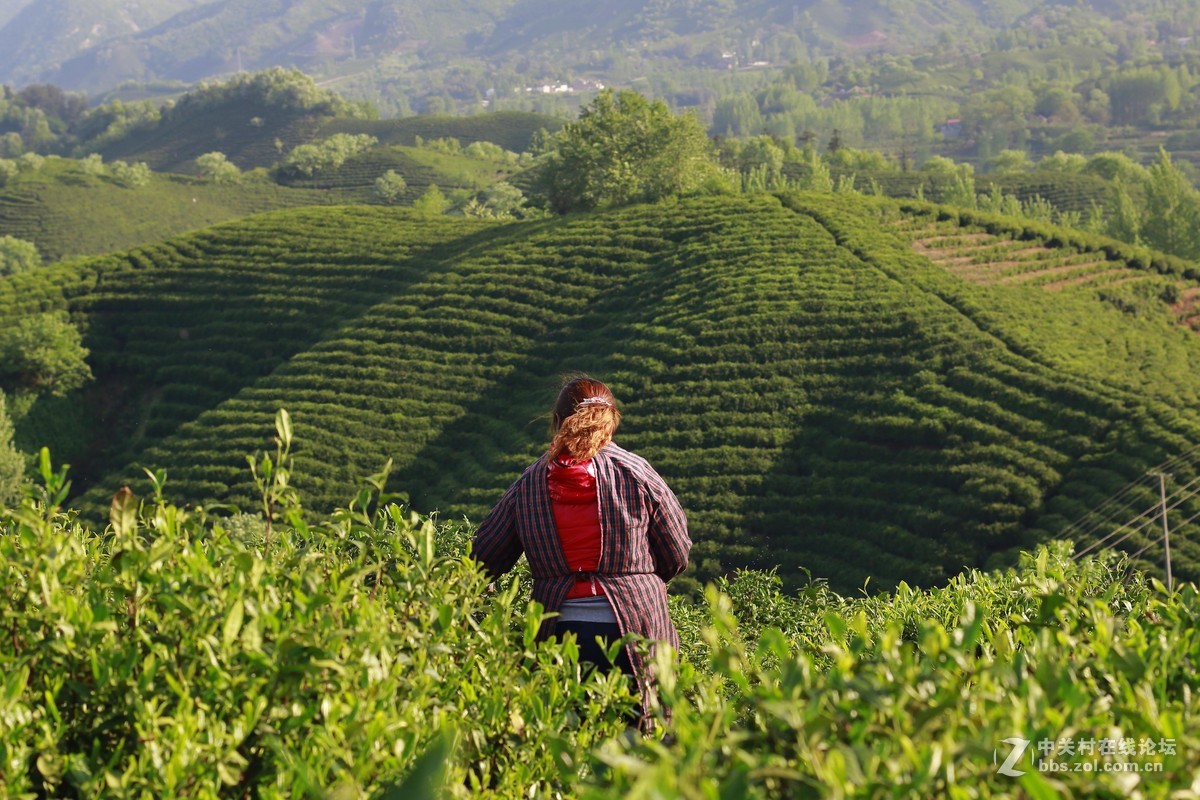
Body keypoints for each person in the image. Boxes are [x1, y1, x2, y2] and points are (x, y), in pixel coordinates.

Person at [471, 376, 691, 731]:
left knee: (569, 739)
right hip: (637, 626)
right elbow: (677, 550)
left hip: (560, 628)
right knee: (642, 741)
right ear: (611, 420)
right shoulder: (637, 474)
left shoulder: (529, 483)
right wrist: (640, 582)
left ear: (557, 423)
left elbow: (483, 558)